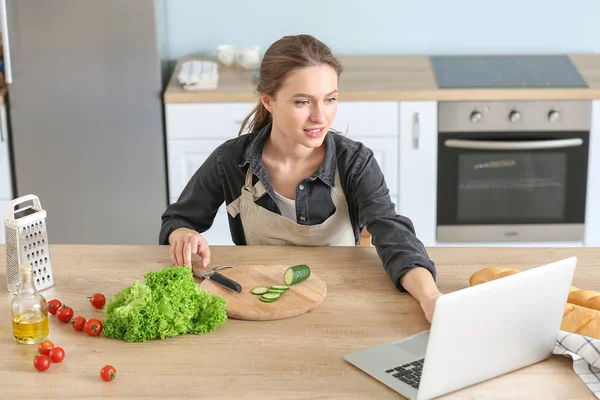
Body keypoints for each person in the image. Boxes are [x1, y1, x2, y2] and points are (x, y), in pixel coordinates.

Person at [159, 34, 442, 322]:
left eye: (330, 99)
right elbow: (177, 220)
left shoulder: (354, 161)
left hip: (340, 307)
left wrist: (430, 297)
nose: (320, 116)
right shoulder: (230, 160)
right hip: (258, 306)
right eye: (303, 102)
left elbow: (396, 239)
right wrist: (183, 235)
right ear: (269, 101)